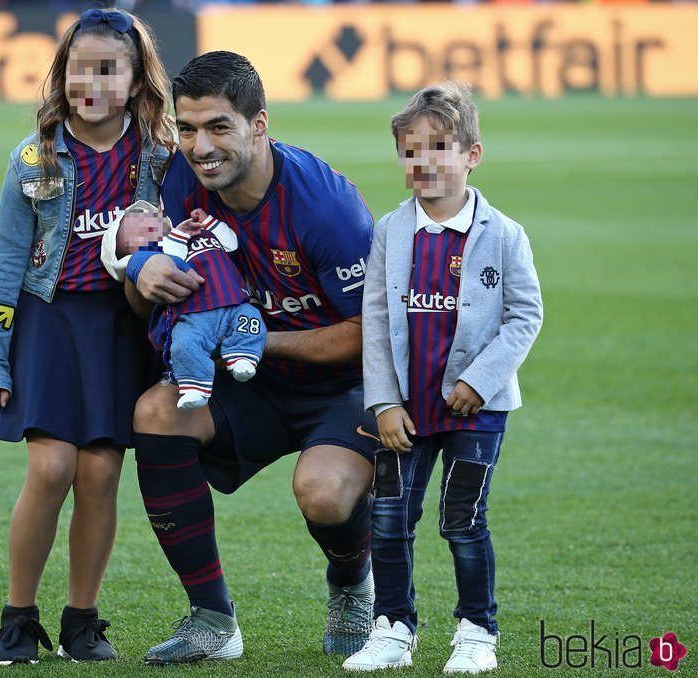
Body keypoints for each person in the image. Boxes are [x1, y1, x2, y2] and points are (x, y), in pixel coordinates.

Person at [121, 51, 380, 665]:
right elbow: (147, 311)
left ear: (259, 124)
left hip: (344, 388)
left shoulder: (326, 207)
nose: (199, 146)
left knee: (321, 492)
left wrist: (255, 341)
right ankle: (213, 621)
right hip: (248, 385)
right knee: (156, 411)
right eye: (186, 128)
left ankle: (352, 582)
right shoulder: (182, 186)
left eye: (218, 127)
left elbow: (368, 333)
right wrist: (144, 277)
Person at [0, 8, 174, 665]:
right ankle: (17, 618)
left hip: (118, 330)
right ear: (63, 74)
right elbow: (4, 269)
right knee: (51, 466)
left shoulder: (161, 159)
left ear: (137, 80)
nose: (92, 80)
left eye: (108, 69)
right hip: (50, 324)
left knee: (102, 473)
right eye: (80, 67)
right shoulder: (35, 158)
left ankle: (83, 620)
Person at [344, 81, 542, 674]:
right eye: (410, 150)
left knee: (463, 519)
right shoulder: (389, 231)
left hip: (476, 409)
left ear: (471, 154)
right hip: (404, 408)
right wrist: (382, 401)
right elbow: (375, 321)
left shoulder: (503, 234)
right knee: (389, 516)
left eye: (439, 146)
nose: (424, 160)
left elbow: (525, 315)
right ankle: (393, 628)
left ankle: (477, 630)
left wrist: (479, 382)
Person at [106, 202, 266, 409]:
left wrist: (208, 222)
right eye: (137, 234)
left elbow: (231, 244)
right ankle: (194, 387)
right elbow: (173, 260)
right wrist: (145, 258)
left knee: (251, 319)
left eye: (147, 221)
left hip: (234, 302)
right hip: (193, 318)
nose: (147, 228)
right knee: (183, 345)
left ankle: (243, 357)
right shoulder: (159, 259)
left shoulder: (200, 234)